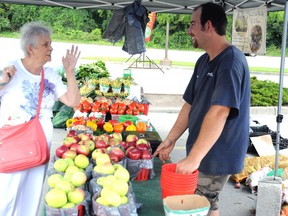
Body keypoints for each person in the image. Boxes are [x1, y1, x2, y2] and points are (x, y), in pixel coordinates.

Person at [153, 3, 250, 216]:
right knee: (209, 203)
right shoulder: (203, 61)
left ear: (208, 25)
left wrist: (194, 158)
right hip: (203, 150)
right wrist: (170, 140)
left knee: (196, 204)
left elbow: (219, 112)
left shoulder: (230, 61)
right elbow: (190, 104)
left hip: (217, 153)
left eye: (192, 24)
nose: (189, 31)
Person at [0, 21, 81, 216]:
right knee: (6, 192)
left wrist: (70, 71)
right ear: (31, 48)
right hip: (13, 138)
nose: (51, 48)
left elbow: (73, 101)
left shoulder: (50, 75)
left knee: (32, 191)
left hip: (40, 139)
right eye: (46, 44)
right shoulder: (10, 70)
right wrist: (2, 82)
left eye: (50, 44)